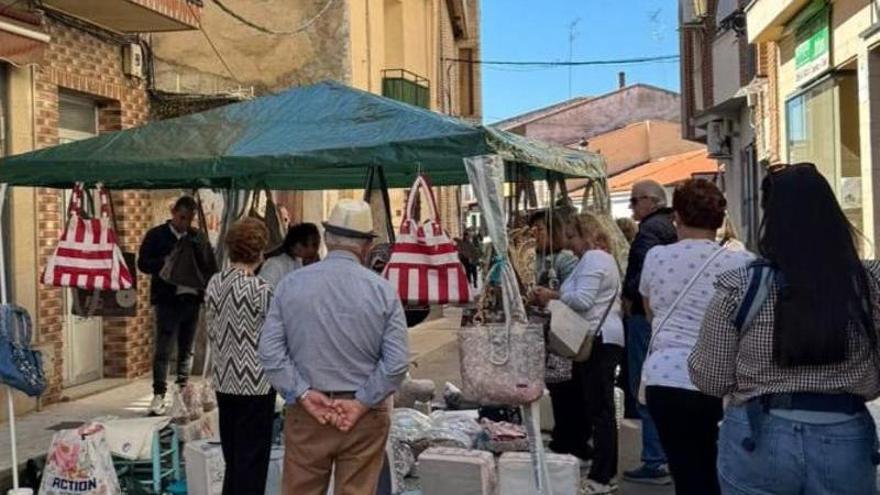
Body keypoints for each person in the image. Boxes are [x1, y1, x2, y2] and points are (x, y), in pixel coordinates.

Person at [690, 163, 880, 495]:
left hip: (759, 435)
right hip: (845, 434)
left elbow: (711, 378)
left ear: (769, 217)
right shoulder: (868, 284)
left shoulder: (741, 286)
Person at [259, 199, 409, 495]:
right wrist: (363, 402)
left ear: (327, 239)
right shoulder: (383, 291)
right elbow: (396, 364)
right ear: (366, 245)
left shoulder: (291, 285)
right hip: (365, 416)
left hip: (309, 411)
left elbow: (270, 353)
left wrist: (301, 392)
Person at [639, 179, 753, 495]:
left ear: (677, 216)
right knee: (721, 469)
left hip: (664, 377)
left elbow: (651, 313)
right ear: (719, 219)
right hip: (718, 380)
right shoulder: (743, 263)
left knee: (685, 471)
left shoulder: (656, 257)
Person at [534, 212, 625, 494]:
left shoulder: (594, 258)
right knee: (599, 408)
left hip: (598, 339)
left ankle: (601, 477)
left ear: (586, 235)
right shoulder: (600, 258)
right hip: (601, 337)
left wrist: (553, 295)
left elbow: (583, 300)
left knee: (600, 409)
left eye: (573, 237)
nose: (570, 244)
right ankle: (603, 469)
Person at [205, 218, 276, 495]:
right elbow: (274, 337)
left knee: (233, 458)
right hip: (256, 383)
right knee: (253, 461)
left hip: (224, 379)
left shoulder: (214, 283)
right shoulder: (261, 289)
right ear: (259, 252)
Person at [621, 180, 676, 484]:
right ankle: (663, 454)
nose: (631, 208)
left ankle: (655, 459)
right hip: (664, 316)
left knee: (642, 384)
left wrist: (630, 295)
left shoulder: (649, 232)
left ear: (650, 201)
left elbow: (641, 276)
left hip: (644, 317)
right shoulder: (668, 226)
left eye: (634, 201)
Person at [138, 196, 203, 416]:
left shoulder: (195, 237)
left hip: (191, 299)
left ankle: (182, 391)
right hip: (167, 300)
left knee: (187, 349)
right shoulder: (157, 236)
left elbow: (206, 262)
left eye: (190, 219)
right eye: (182, 217)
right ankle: (158, 394)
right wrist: (165, 262)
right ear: (173, 212)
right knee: (164, 348)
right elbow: (143, 264)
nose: (185, 223)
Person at [526, 211, 584, 459]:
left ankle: (572, 439)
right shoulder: (534, 258)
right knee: (556, 384)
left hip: (563, 330)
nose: (535, 235)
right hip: (543, 330)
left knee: (567, 386)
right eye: (533, 230)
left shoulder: (565, 259)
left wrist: (549, 295)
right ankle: (564, 435)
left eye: (540, 229)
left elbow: (573, 294)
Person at [259, 222, 321, 288]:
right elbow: (262, 292)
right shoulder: (275, 265)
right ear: (298, 246)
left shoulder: (300, 263)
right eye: (314, 245)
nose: (317, 250)